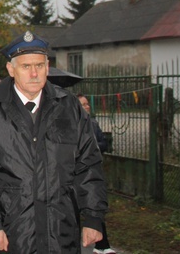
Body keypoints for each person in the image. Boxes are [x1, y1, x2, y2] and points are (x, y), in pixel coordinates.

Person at [0, 31, 108, 253]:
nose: (34, 73)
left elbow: (89, 164)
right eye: (26, 66)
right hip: (11, 234)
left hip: (61, 232)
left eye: (39, 65)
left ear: (48, 66)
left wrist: (94, 216)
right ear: (11, 69)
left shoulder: (69, 107)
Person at [78, 94, 116, 254]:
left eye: (87, 104)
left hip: (92, 169)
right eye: (83, 104)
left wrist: (93, 146)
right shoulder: (71, 124)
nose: (86, 107)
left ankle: (103, 245)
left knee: (95, 206)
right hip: (76, 173)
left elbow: (103, 143)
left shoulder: (93, 123)